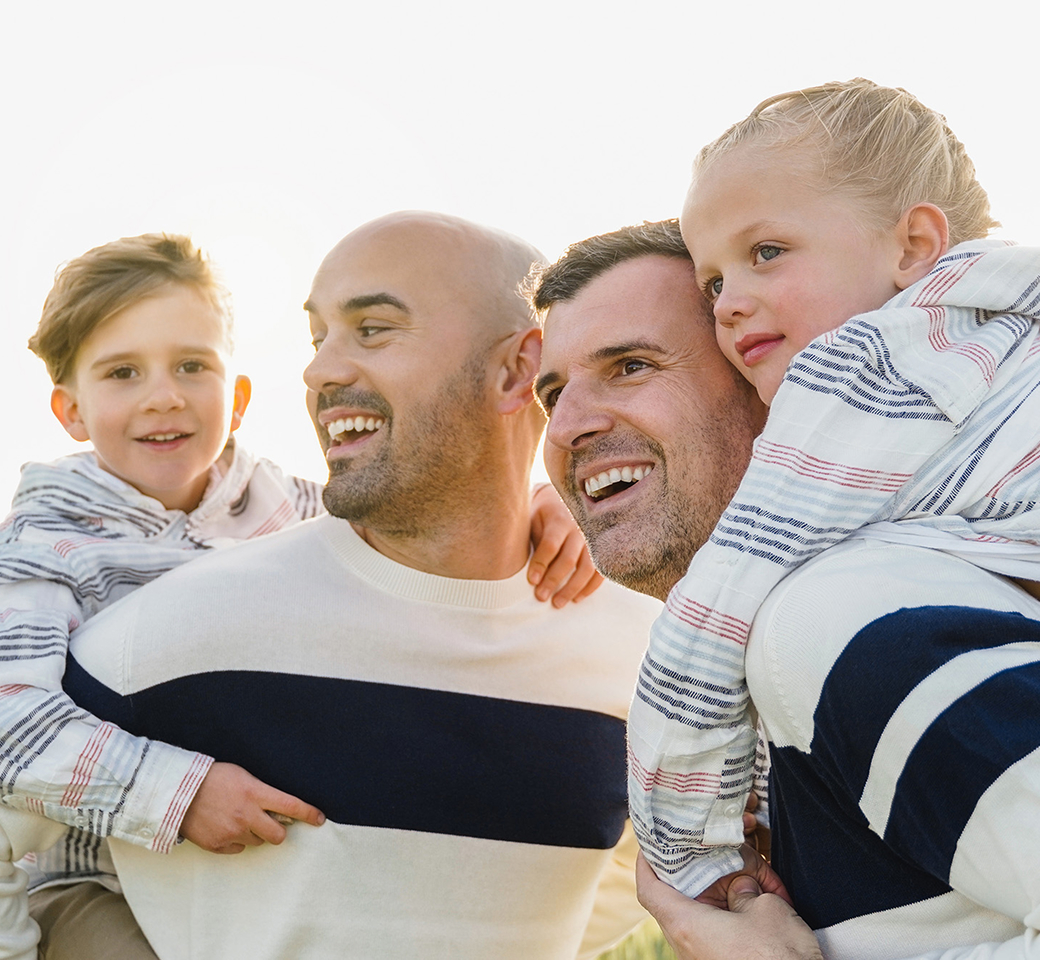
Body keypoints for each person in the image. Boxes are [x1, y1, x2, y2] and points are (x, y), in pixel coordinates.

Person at [0, 211, 661, 960]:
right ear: (69, 410)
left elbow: (410, 529)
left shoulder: (277, 507)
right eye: (123, 373)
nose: (318, 371)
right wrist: (169, 792)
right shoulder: (55, 550)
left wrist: (547, 500)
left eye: (372, 329)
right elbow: (9, 730)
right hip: (89, 876)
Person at [534, 218, 1040, 958]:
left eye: (632, 366)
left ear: (783, 385)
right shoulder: (787, 665)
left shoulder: (835, 620)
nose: (567, 426)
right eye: (552, 395)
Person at [627, 78, 1040, 898]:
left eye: (767, 253)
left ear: (914, 246)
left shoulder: (868, 366)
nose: (731, 305)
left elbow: (724, 602)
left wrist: (688, 849)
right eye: (712, 284)